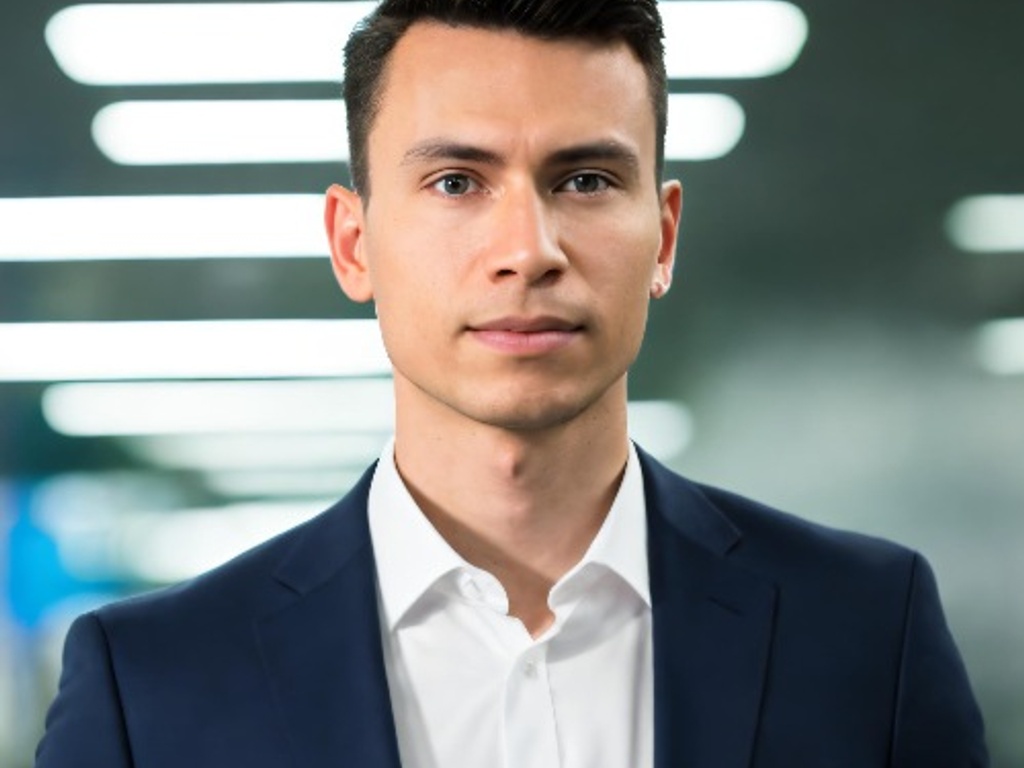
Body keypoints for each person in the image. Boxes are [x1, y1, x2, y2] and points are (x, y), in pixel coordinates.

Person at [35, 1, 988, 766]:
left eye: (584, 181)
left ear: (662, 237)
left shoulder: (867, 632)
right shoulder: (152, 683)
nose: (527, 251)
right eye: (456, 182)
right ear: (353, 243)